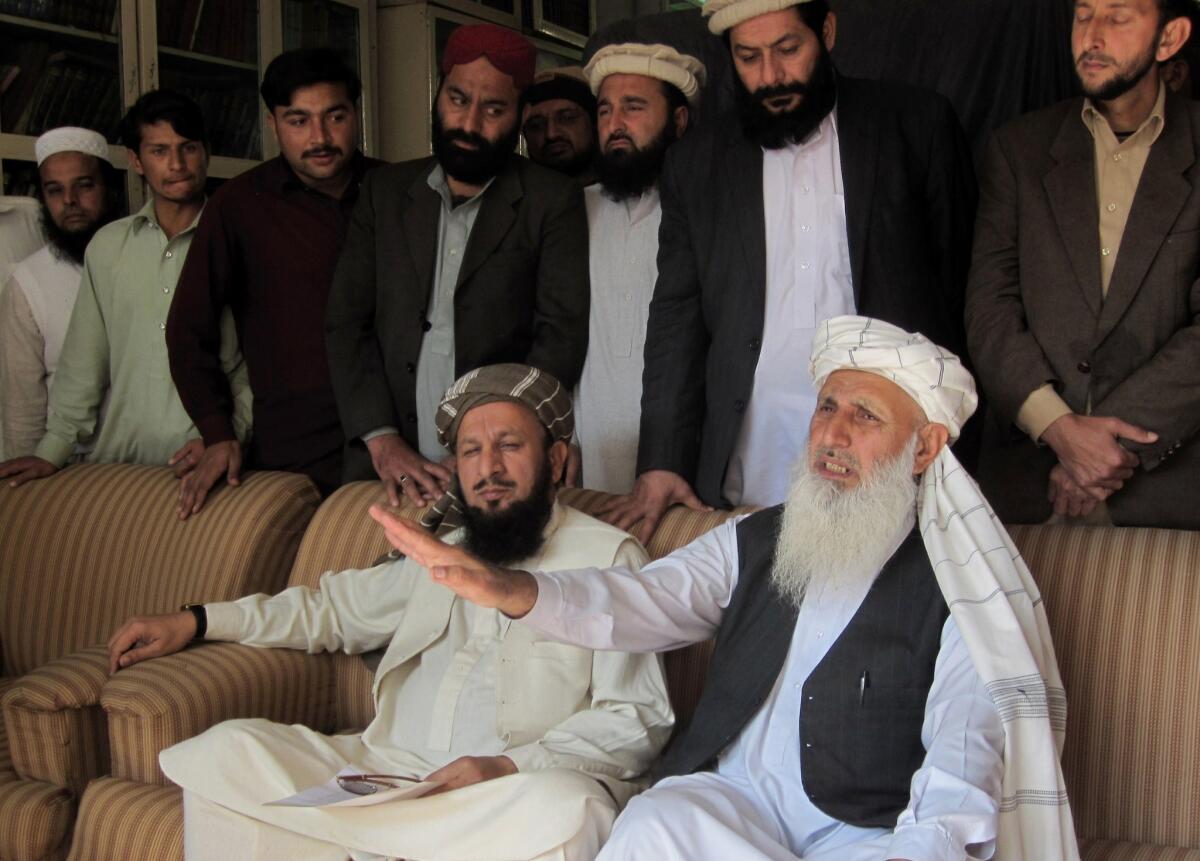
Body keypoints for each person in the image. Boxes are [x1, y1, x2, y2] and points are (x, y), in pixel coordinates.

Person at [375, 317, 1079, 861]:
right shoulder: (759, 537)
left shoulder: (961, 584)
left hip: (862, 836)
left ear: (924, 448)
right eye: (826, 405)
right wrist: (511, 589)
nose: (831, 433)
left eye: (864, 416)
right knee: (652, 827)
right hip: (734, 811)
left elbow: (963, 760)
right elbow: (642, 600)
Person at [107, 364, 672, 861]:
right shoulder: (439, 551)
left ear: (555, 459)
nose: (488, 468)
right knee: (227, 749)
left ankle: (365, 844)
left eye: (509, 446)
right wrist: (198, 620)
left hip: (502, 790)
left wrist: (509, 766)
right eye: (472, 451)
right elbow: (325, 612)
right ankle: (383, 840)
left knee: (567, 810)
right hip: (386, 775)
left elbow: (637, 717)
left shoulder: (607, 559)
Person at [599, 0, 977, 542]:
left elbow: (956, 294)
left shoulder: (915, 126)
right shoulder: (697, 162)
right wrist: (661, 458)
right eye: (748, 57)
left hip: (884, 465)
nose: (770, 76)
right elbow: (676, 321)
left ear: (826, 31)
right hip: (748, 465)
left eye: (788, 50)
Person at [326, 23, 590, 509]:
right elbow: (347, 323)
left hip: (497, 473)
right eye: (457, 99)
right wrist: (383, 442)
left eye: (493, 109)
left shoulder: (550, 200)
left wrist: (482, 449)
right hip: (382, 468)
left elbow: (559, 335)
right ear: (438, 92)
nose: (469, 123)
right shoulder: (385, 193)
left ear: (518, 114)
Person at [965, 0, 1200, 529]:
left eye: (1118, 17)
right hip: (1026, 486)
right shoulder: (1019, 149)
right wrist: (1058, 429)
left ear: (1170, 38)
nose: (1091, 35)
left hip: (1169, 491)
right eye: (1083, 14)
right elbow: (989, 309)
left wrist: (1102, 449)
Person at [167, 49, 384, 517]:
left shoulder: (398, 192)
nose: (320, 137)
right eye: (299, 120)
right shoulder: (239, 205)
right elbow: (188, 328)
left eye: (335, 116)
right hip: (292, 452)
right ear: (272, 123)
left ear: (356, 113)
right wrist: (217, 432)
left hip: (399, 442)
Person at [0, 91, 249, 488]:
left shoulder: (241, 240)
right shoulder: (108, 247)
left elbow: (257, 366)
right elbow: (83, 365)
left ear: (207, 152)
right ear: (136, 160)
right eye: (159, 150)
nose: (177, 164)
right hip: (121, 468)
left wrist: (224, 436)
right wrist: (51, 451)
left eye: (188, 148)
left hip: (209, 461)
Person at [573, 43, 704, 493]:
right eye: (606, 110)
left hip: (684, 454)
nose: (615, 125)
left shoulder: (711, 214)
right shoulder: (572, 212)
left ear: (679, 121)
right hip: (588, 455)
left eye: (634, 107)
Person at [0, 127, 119, 459]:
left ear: (108, 189)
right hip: (68, 473)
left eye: (84, 186)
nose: (70, 201)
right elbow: (22, 415)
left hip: (154, 464)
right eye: (55, 190)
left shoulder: (144, 261)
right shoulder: (27, 285)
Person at [521, 66, 598, 184]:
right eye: (536, 125)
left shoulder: (632, 195)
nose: (551, 134)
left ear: (594, 124)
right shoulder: (508, 199)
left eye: (566, 118)